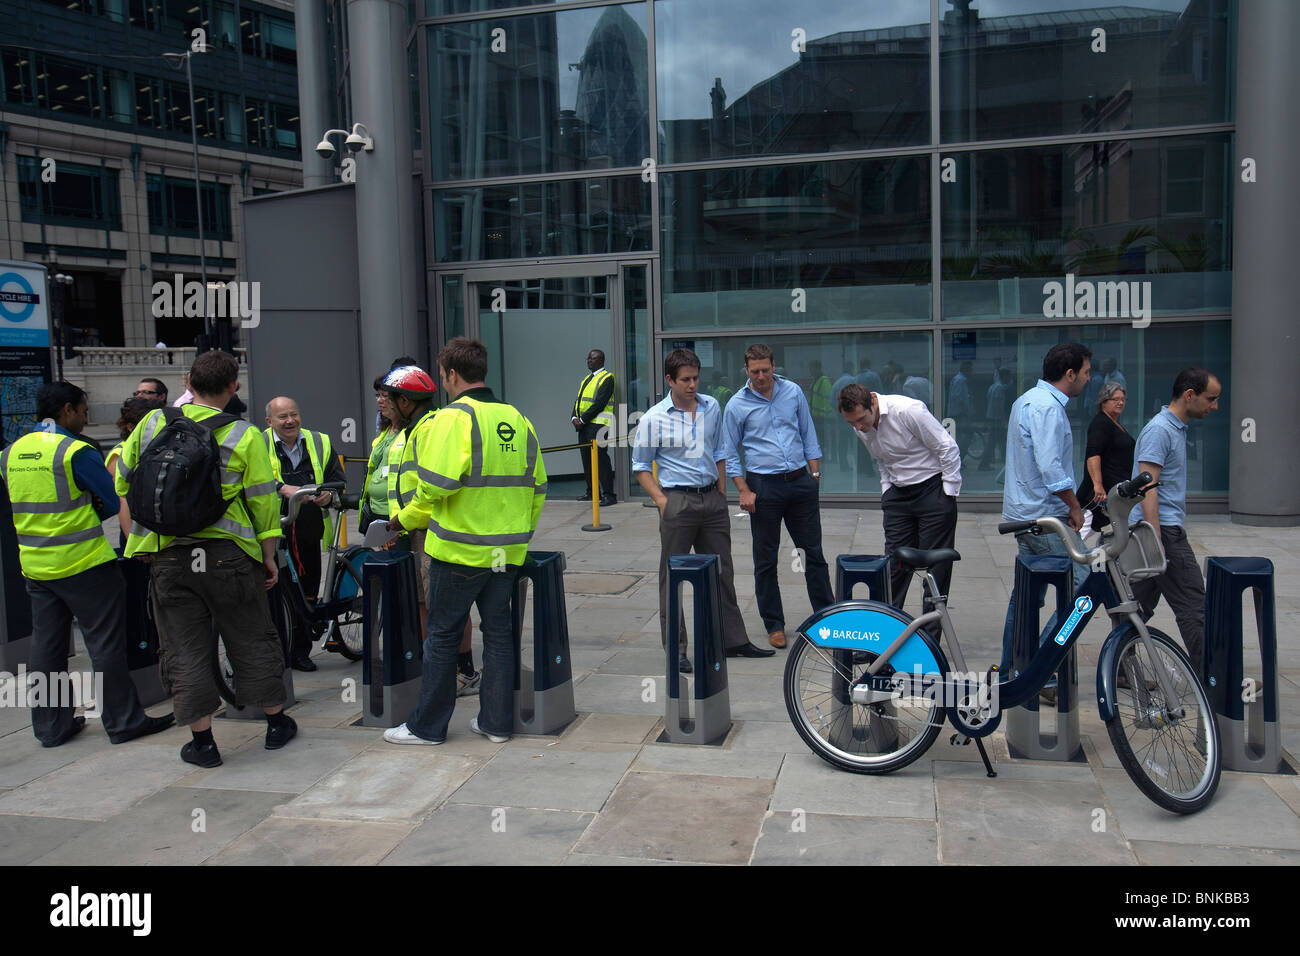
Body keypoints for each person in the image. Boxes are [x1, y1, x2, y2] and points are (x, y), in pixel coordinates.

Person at [116, 350, 293, 767]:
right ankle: (275, 724)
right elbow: (263, 502)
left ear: (187, 382)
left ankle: (203, 742)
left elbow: (124, 479)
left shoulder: (152, 422)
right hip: (229, 556)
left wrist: (139, 542)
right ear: (234, 388)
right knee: (251, 635)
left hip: (169, 558)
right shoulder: (245, 435)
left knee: (183, 646)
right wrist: (269, 555)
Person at [383, 338, 547, 746]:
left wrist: (402, 519)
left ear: (452, 374)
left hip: (458, 553)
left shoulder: (451, 420)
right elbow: (538, 487)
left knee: (440, 637)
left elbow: (434, 488)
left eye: (443, 375)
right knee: (499, 637)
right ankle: (495, 724)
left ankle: (427, 727)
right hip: (504, 555)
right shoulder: (518, 419)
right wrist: (519, 537)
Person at [0, 383, 174, 748]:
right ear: (66, 411)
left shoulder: (10, 453)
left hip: (36, 567)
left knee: (46, 649)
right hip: (85, 565)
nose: (85, 417)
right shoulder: (75, 450)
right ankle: (123, 722)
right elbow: (111, 501)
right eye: (82, 411)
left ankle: (51, 728)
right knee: (105, 646)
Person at [633, 348, 772, 672]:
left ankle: (733, 640)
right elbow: (640, 466)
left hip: (712, 500)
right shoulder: (654, 418)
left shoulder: (711, 407)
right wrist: (662, 500)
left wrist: (721, 493)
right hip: (677, 502)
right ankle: (677, 650)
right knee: (673, 577)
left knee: (723, 572)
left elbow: (721, 450)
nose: (693, 385)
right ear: (670, 380)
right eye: (685, 380)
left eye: (696, 378)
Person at [723, 343, 834, 649]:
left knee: (813, 553)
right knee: (765, 559)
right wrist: (743, 490)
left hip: (800, 483)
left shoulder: (793, 392)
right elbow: (729, 451)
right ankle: (774, 624)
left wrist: (814, 476)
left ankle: (826, 618)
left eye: (766, 369)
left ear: (774, 366)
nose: (761, 376)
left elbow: (807, 431)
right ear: (746, 370)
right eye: (755, 371)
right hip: (764, 487)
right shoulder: (736, 405)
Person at [382, 366, 480, 694]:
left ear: (406, 402)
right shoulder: (406, 431)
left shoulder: (428, 430)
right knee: (426, 604)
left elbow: (432, 489)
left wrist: (402, 521)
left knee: (444, 606)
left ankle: (461, 671)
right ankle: (440, 667)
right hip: (413, 530)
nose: (383, 402)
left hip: (428, 531)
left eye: (390, 397)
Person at [999, 343, 1092, 683]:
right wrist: (1075, 506)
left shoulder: (1025, 400)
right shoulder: (1048, 408)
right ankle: (1040, 666)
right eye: (1085, 373)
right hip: (1045, 518)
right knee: (1087, 587)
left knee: (1026, 596)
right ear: (1069, 374)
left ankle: (1011, 670)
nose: (1087, 379)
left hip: (1025, 515)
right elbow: (1051, 469)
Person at [838, 383, 961, 614]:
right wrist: (887, 491)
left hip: (932, 489)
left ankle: (928, 642)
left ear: (872, 403)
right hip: (898, 495)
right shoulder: (860, 425)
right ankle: (888, 636)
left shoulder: (908, 410)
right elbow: (882, 460)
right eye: (851, 423)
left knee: (936, 570)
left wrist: (948, 493)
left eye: (861, 419)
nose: (858, 427)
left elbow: (947, 447)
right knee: (894, 567)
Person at [1128, 368, 1221, 669]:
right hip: (1162, 532)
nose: (1215, 406)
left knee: (1134, 609)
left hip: (1157, 531)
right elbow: (1146, 486)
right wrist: (1155, 540)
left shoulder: (1175, 428)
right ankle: (1213, 680)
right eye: (1211, 399)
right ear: (1189, 395)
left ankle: (1121, 667)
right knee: (1195, 607)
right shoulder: (1160, 430)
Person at [263, 396, 346, 672]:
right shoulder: (259, 444)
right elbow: (252, 478)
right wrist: (280, 487)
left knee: (306, 588)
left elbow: (339, 481)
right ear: (269, 421)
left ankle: (300, 651)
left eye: (294, 415)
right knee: (278, 589)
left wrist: (328, 494)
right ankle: (281, 648)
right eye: (282, 417)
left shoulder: (319, 441)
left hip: (309, 526)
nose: (290, 421)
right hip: (274, 527)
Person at [1076, 383, 1135, 537]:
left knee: (1096, 531)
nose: (1120, 403)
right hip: (1097, 496)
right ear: (1103, 401)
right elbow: (1093, 455)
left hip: (1113, 493)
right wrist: (1098, 485)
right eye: (1115, 399)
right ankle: (1065, 560)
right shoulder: (1101, 423)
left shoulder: (1114, 423)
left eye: (1123, 399)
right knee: (1079, 535)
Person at [105, 396, 165, 548]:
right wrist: (135, 542)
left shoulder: (152, 449)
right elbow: (122, 500)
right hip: (135, 534)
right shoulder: (119, 454)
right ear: (131, 427)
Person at [571, 348, 616, 506]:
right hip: (584, 426)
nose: (589, 361)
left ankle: (609, 495)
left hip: (598, 425)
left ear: (601, 360)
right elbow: (578, 401)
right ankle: (592, 492)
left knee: (601, 460)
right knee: (587, 461)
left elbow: (600, 403)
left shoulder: (607, 378)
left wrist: (582, 419)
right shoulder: (586, 379)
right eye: (588, 358)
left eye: (592, 358)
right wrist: (574, 417)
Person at [359, 377, 403, 533]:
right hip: (375, 510)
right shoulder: (386, 430)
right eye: (378, 395)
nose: (379, 400)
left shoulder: (411, 431)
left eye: (385, 396)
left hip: (395, 513)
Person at [946, 361, 973, 456]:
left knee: (957, 437)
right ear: (967, 370)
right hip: (959, 413)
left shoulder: (957, 379)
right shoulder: (960, 380)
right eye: (971, 370)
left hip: (956, 413)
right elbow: (959, 398)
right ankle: (959, 457)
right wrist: (966, 410)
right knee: (966, 435)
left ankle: (958, 457)